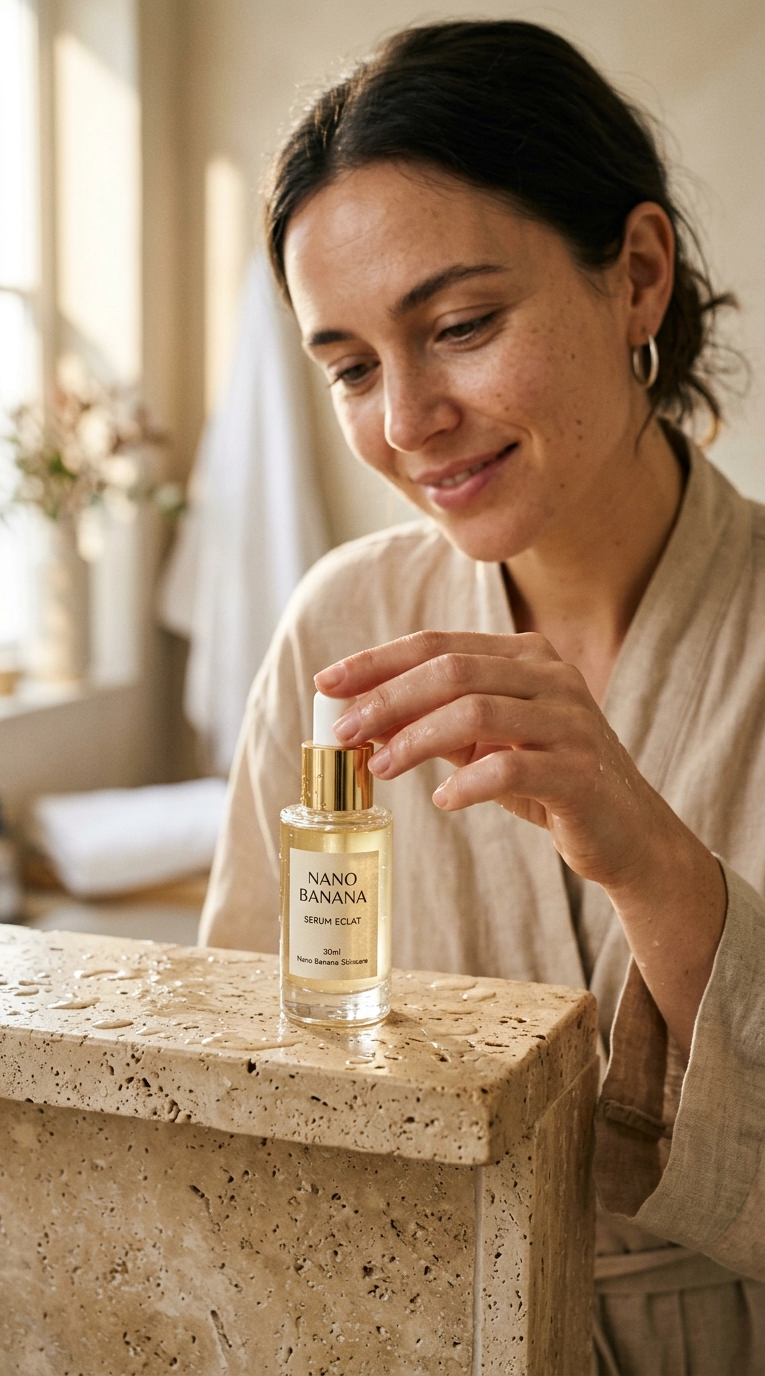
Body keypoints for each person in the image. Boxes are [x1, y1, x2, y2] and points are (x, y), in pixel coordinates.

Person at [200, 21, 765, 1373]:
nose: (403, 420)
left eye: (458, 327)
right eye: (348, 366)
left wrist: (658, 867)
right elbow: (237, 1091)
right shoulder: (341, 625)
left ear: (636, 275)